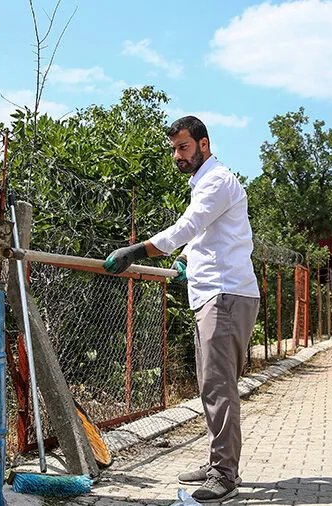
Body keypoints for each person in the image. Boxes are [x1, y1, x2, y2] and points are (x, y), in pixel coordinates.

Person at [103, 116, 260, 503]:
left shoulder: (218, 180)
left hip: (225, 296)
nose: (177, 155)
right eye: (174, 149)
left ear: (204, 144)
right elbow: (207, 237)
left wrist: (138, 250)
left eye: (184, 147)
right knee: (210, 384)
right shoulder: (204, 182)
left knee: (218, 386)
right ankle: (216, 462)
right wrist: (187, 264)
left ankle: (225, 473)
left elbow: (187, 227)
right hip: (212, 295)